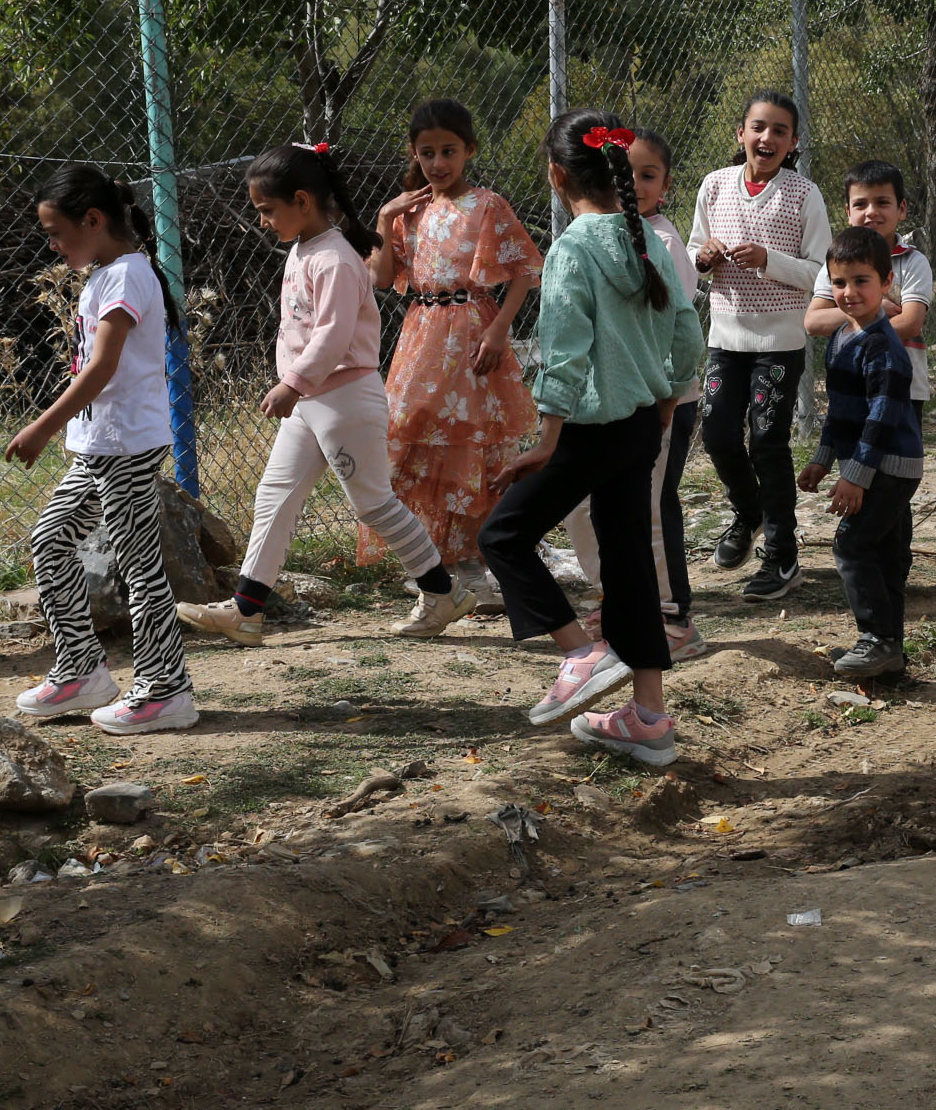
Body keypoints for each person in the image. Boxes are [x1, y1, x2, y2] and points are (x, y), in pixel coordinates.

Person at [475, 111, 704, 767]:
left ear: (556, 175)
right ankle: (649, 719)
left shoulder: (574, 247)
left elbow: (566, 352)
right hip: (638, 426)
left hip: (591, 428)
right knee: (629, 564)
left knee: (502, 535)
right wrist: (666, 396)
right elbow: (687, 331)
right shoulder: (646, 239)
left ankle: (579, 653)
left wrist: (547, 437)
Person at [178, 144, 469, 647]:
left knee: (374, 504)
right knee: (275, 496)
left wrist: (292, 383)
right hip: (312, 402)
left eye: (267, 210)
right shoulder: (306, 249)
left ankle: (442, 592)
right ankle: (247, 609)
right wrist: (297, 386)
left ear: (302, 201)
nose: (264, 221)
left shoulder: (334, 257)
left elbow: (332, 335)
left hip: (343, 400)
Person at [5, 166, 198, 734]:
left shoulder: (124, 278)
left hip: (127, 446)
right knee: (51, 541)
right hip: (100, 446)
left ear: (93, 220)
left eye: (56, 232)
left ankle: (166, 690)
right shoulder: (106, 274)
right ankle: (82, 670)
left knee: (139, 565)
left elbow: (103, 367)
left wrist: (42, 426)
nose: (52, 244)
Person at [366, 98, 541, 616]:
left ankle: (473, 568)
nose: (438, 163)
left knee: (471, 445)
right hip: (421, 336)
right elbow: (381, 280)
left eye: (448, 151)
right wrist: (384, 217)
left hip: (471, 336)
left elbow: (522, 273)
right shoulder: (407, 211)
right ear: (414, 154)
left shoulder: (487, 205)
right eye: (427, 153)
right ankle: (432, 562)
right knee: (408, 437)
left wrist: (498, 332)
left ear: (469, 150)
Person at [563, 126, 709, 661]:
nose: (637, 183)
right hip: (609, 399)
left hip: (662, 397)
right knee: (584, 505)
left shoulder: (663, 242)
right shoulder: (595, 235)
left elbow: (678, 329)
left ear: (665, 187)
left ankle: (671, 616)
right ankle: (621, 596)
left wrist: (668, 396)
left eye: (649, 175)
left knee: (648, 506)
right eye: (629, 173)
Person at [690, 91, 832, 600]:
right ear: (740, 133)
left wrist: (767, 258)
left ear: (793, 142)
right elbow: (691, 253)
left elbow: (822, 272)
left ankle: (782, 554)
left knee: (767, 439)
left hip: (780, 341)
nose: (766, 138)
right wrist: (704, 256)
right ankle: (747, 513)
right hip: (725, 337)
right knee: (717, 433)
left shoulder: (803, 194)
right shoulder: (715, 186)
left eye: (779, 131)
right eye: (758, 127)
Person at [796, 226, 925, 680]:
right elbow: (842, 412)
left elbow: (880, 418)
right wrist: (822, 458)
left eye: (862, 281)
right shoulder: (842, 338)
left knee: (852, 543)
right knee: (885, 554)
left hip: (889, 464)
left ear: (887, 283)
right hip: (870, 462)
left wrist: (854, 475)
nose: (849, 293)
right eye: (839, 283)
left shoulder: (882, 347)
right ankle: (889, 657)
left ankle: (877, 641)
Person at [806, 160, 932, 405]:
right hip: (850, 381)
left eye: (882, 202)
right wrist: (874, 311)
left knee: (896, 443)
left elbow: (910, 322)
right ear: (848, 212)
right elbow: (813, 321)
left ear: (902, 208)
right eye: (860, 204)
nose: (871, 211)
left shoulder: (912, 261)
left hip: (902, 385)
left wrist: (854, 320)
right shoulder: (835, 263)